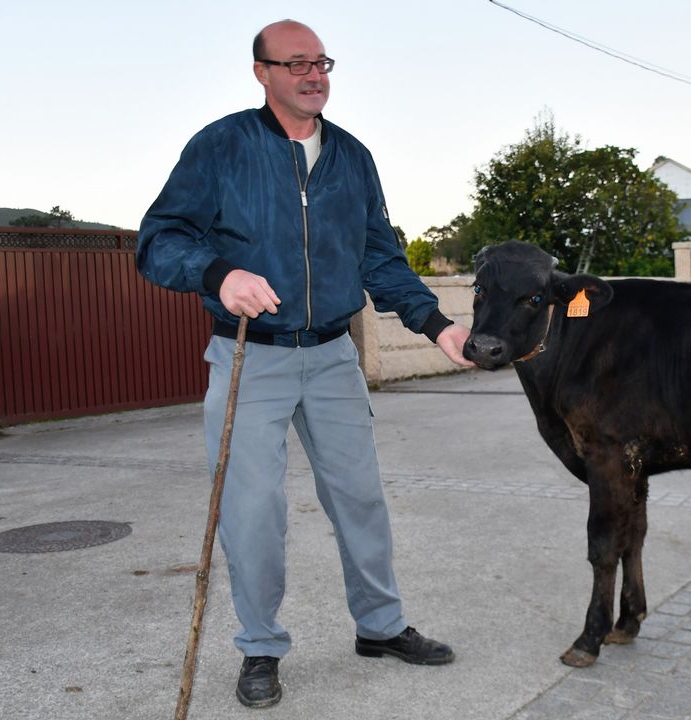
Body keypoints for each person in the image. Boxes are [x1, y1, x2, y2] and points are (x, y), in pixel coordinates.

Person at [136, 19, 473, 709]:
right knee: (252, 511)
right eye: (295, 64)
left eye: (321, 62)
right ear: (261, 72)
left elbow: (380, 257)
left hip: (331, 359)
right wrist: (218, 272)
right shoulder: (222, 146)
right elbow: (159, 240)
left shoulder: (352, 157)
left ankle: (379, 627)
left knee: (360, 496)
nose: (313, 74)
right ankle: (260, 647)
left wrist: (437, 326)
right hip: (248, 360)